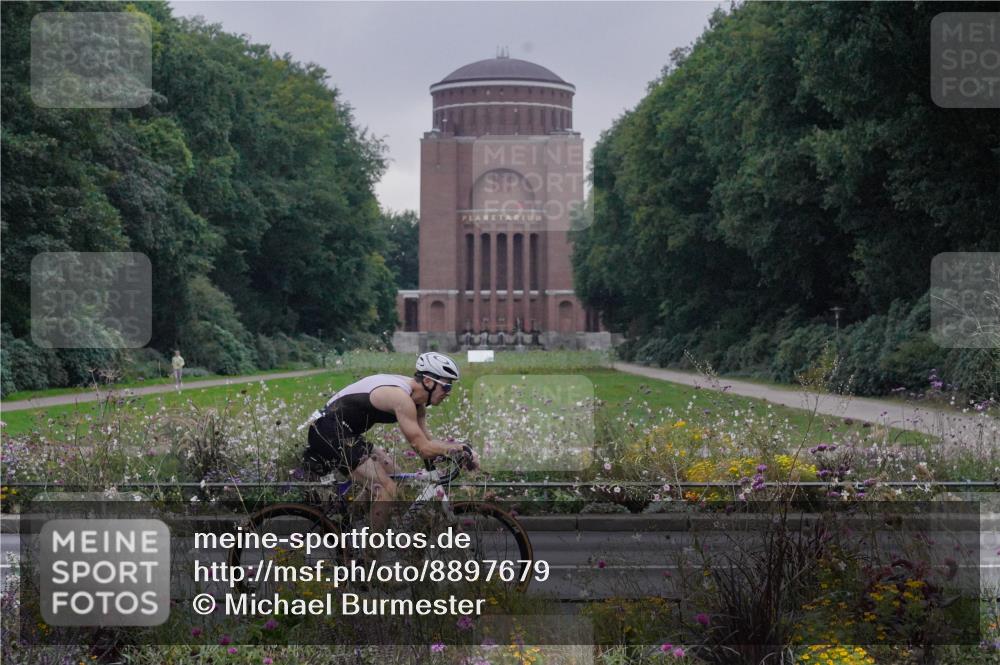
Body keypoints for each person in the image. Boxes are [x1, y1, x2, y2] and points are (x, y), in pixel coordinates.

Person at [302, 352, 478, 533]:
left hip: (346, 434)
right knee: (386, 488)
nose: (448, 393)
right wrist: (459, 448)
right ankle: (370, 555)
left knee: (397, 477)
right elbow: (424, 449)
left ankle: (348, 524)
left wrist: (454, 453)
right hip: (327, 432)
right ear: (428, 381)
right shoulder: (400, 397)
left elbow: (426, 442)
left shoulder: (418, 403)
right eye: (446, 386)